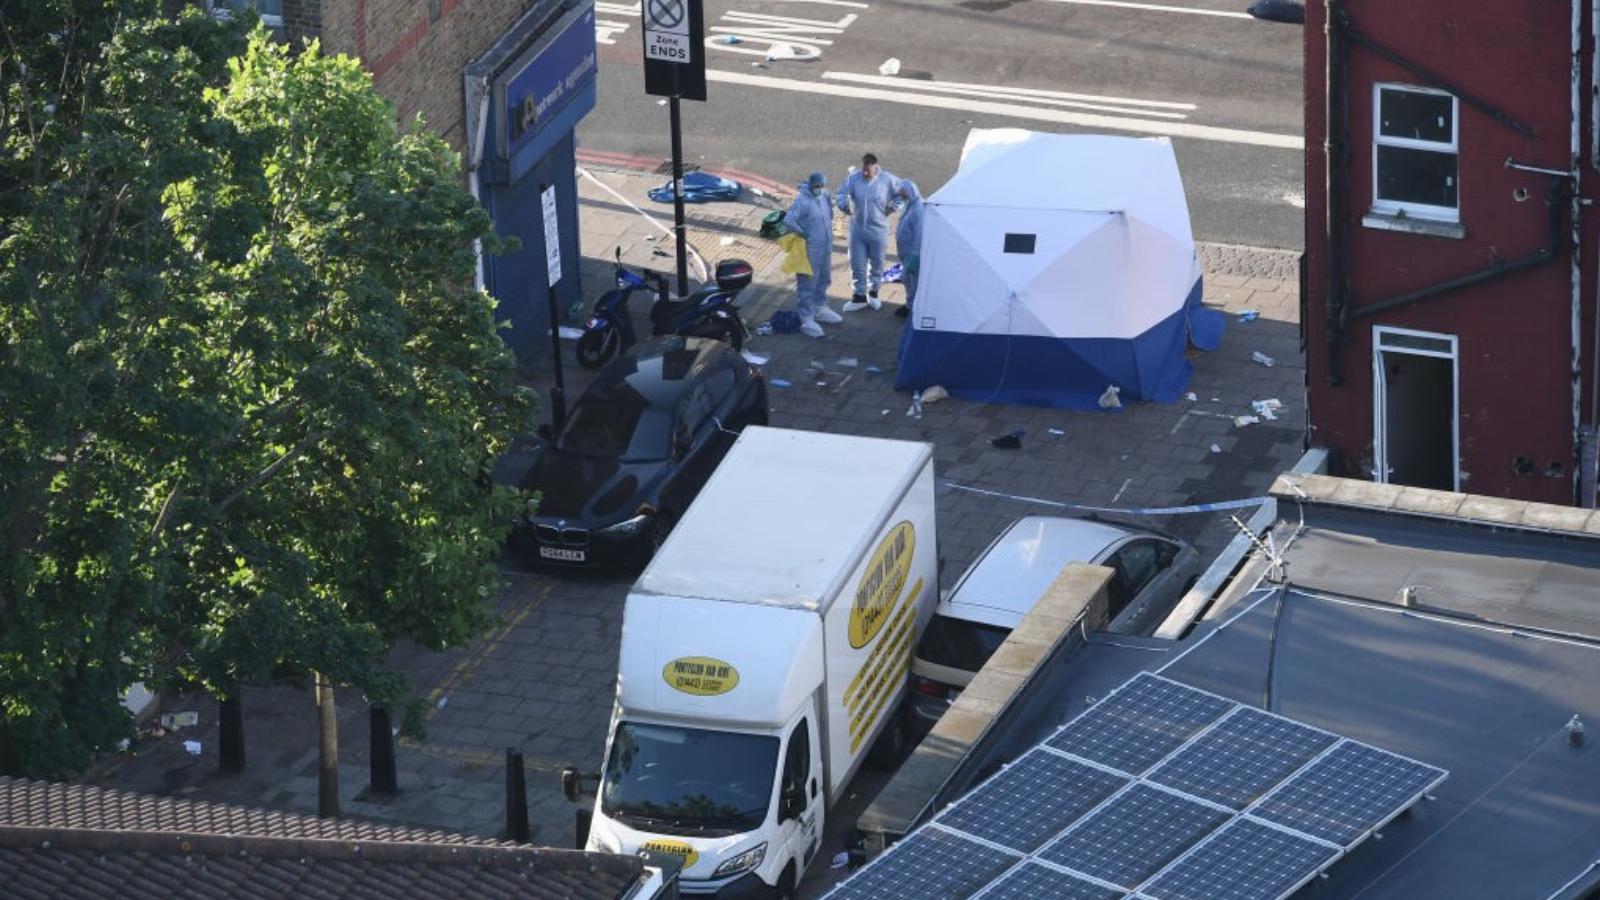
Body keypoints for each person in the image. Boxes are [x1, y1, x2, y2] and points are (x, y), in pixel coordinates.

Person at [834, 153, 901, 311]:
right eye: (863, 169)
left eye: (867, 171)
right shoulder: (854, 178)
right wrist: (844, 205)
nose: (864, 173)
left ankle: (874, 293)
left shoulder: (887, 180)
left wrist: (893, 207)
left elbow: (903, 193)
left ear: (875, 168)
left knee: (877, 263)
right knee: (857, 263)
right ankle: (859, 296)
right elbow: (841, 192)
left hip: (878, 231)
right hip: (858, 230)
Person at [786, 171, 842, 338]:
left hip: (825, 246)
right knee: (808, 284)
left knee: (824, 278)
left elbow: (830, 215)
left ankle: (820, 307)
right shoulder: (802, 201)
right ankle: (806, 317)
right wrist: (802, 232)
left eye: (821, 185)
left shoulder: (824, 195)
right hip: (810, 249)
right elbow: (789, 220)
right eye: (817, 186)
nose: (819, 188)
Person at [894, 180, 924, 319]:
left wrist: (915, 255)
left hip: (912, 255)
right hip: (906, 254)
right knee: (908, 280)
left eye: (903, 194)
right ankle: (911, 304)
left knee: (912, 281)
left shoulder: (918, 209)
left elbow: (919, 234)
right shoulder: (910, 205)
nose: (901, 197)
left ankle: (912, 308)